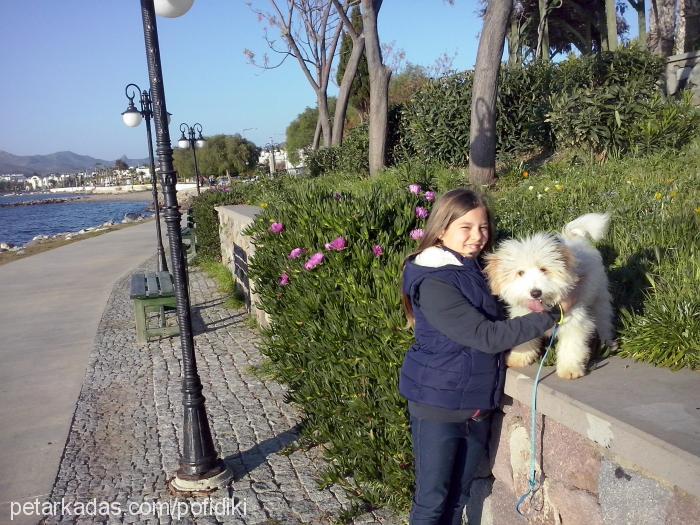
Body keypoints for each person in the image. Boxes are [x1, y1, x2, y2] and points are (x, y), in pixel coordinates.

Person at [400, 188, 567, 524]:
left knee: (458, 497)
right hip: (440, 405)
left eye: (483, 227)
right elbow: (484, 336)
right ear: (442, 228)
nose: (477, 236)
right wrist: (552, 316)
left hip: (476, 405)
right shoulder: (434, 279)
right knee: (433, 502)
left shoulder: (474, 268)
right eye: (466, 227)